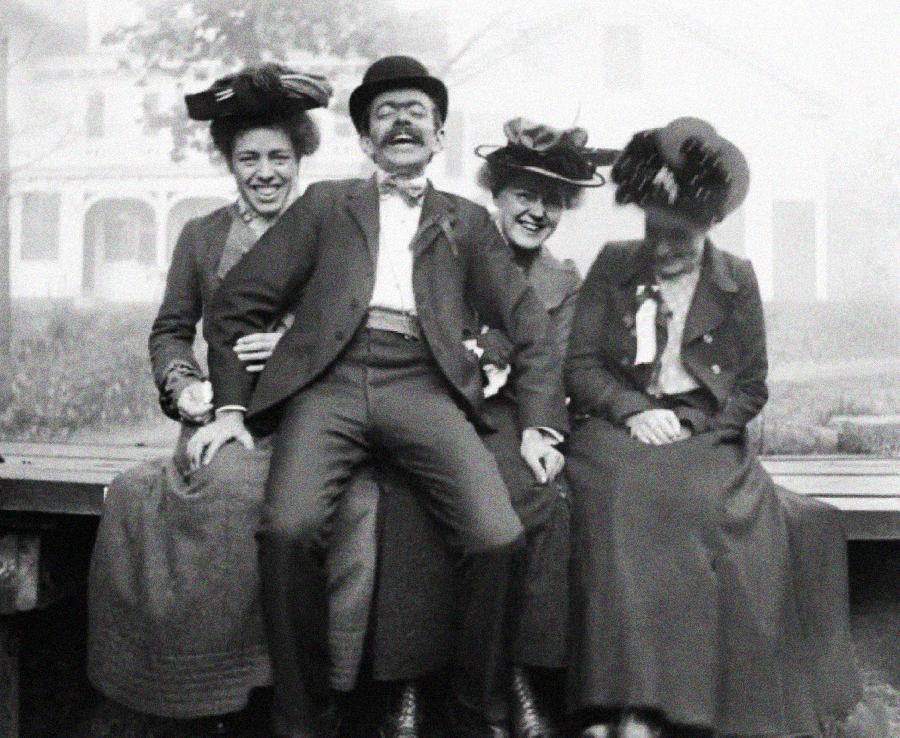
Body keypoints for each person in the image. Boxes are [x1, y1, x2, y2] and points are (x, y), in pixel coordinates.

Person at [191, 56, 569, 738]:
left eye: (415, 113)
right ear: (365, 139)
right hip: (328, 385)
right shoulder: (325, 205)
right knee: (287, 530)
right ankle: (304, 719)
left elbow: (530, 326)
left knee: (497, 537)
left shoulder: (469, 221)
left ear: (438, 135)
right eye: (385, 114)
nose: (401, 123)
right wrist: (229, 407)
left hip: (423, 384)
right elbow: (232, 308)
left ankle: (473, 714)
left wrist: (542, 427)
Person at [87, 64, 379, 735]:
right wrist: (184, 383)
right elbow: (169, 330)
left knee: (341, 506)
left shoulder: (339, 232)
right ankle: (207, 696)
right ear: (229, 162)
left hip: (318, 422)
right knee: (195, 498)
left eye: (280, 155)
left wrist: (295, 350)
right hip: (225, 421)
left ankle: (299, 694)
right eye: (249, 157)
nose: (266, 172)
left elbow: (363, 329)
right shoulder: (204, 237)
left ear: (302, 155)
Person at [564, 117, 862, 738]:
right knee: (619, 499)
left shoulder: (738, 279)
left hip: (702, 433)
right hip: (617, 428)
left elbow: (751, 385)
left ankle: (676, 705)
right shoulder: (615, 264)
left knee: (702, 507)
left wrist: (693, 418)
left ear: (709, 224)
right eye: (654, 229)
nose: (665, 247)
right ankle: (622, 702)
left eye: (680, 235)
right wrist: (633, 410)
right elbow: (583, 364)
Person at [371, 117, 611, 738]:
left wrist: (543, 429)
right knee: (408, 494)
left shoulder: (564, 281)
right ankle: (411, 686)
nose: (537, 212)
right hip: (435, 401)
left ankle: (519, 676)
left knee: (536, 495)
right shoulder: (450, 249)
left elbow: (555, 365)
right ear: (496, 197)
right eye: (525, 196)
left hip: (518, 417)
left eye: (552, 202)